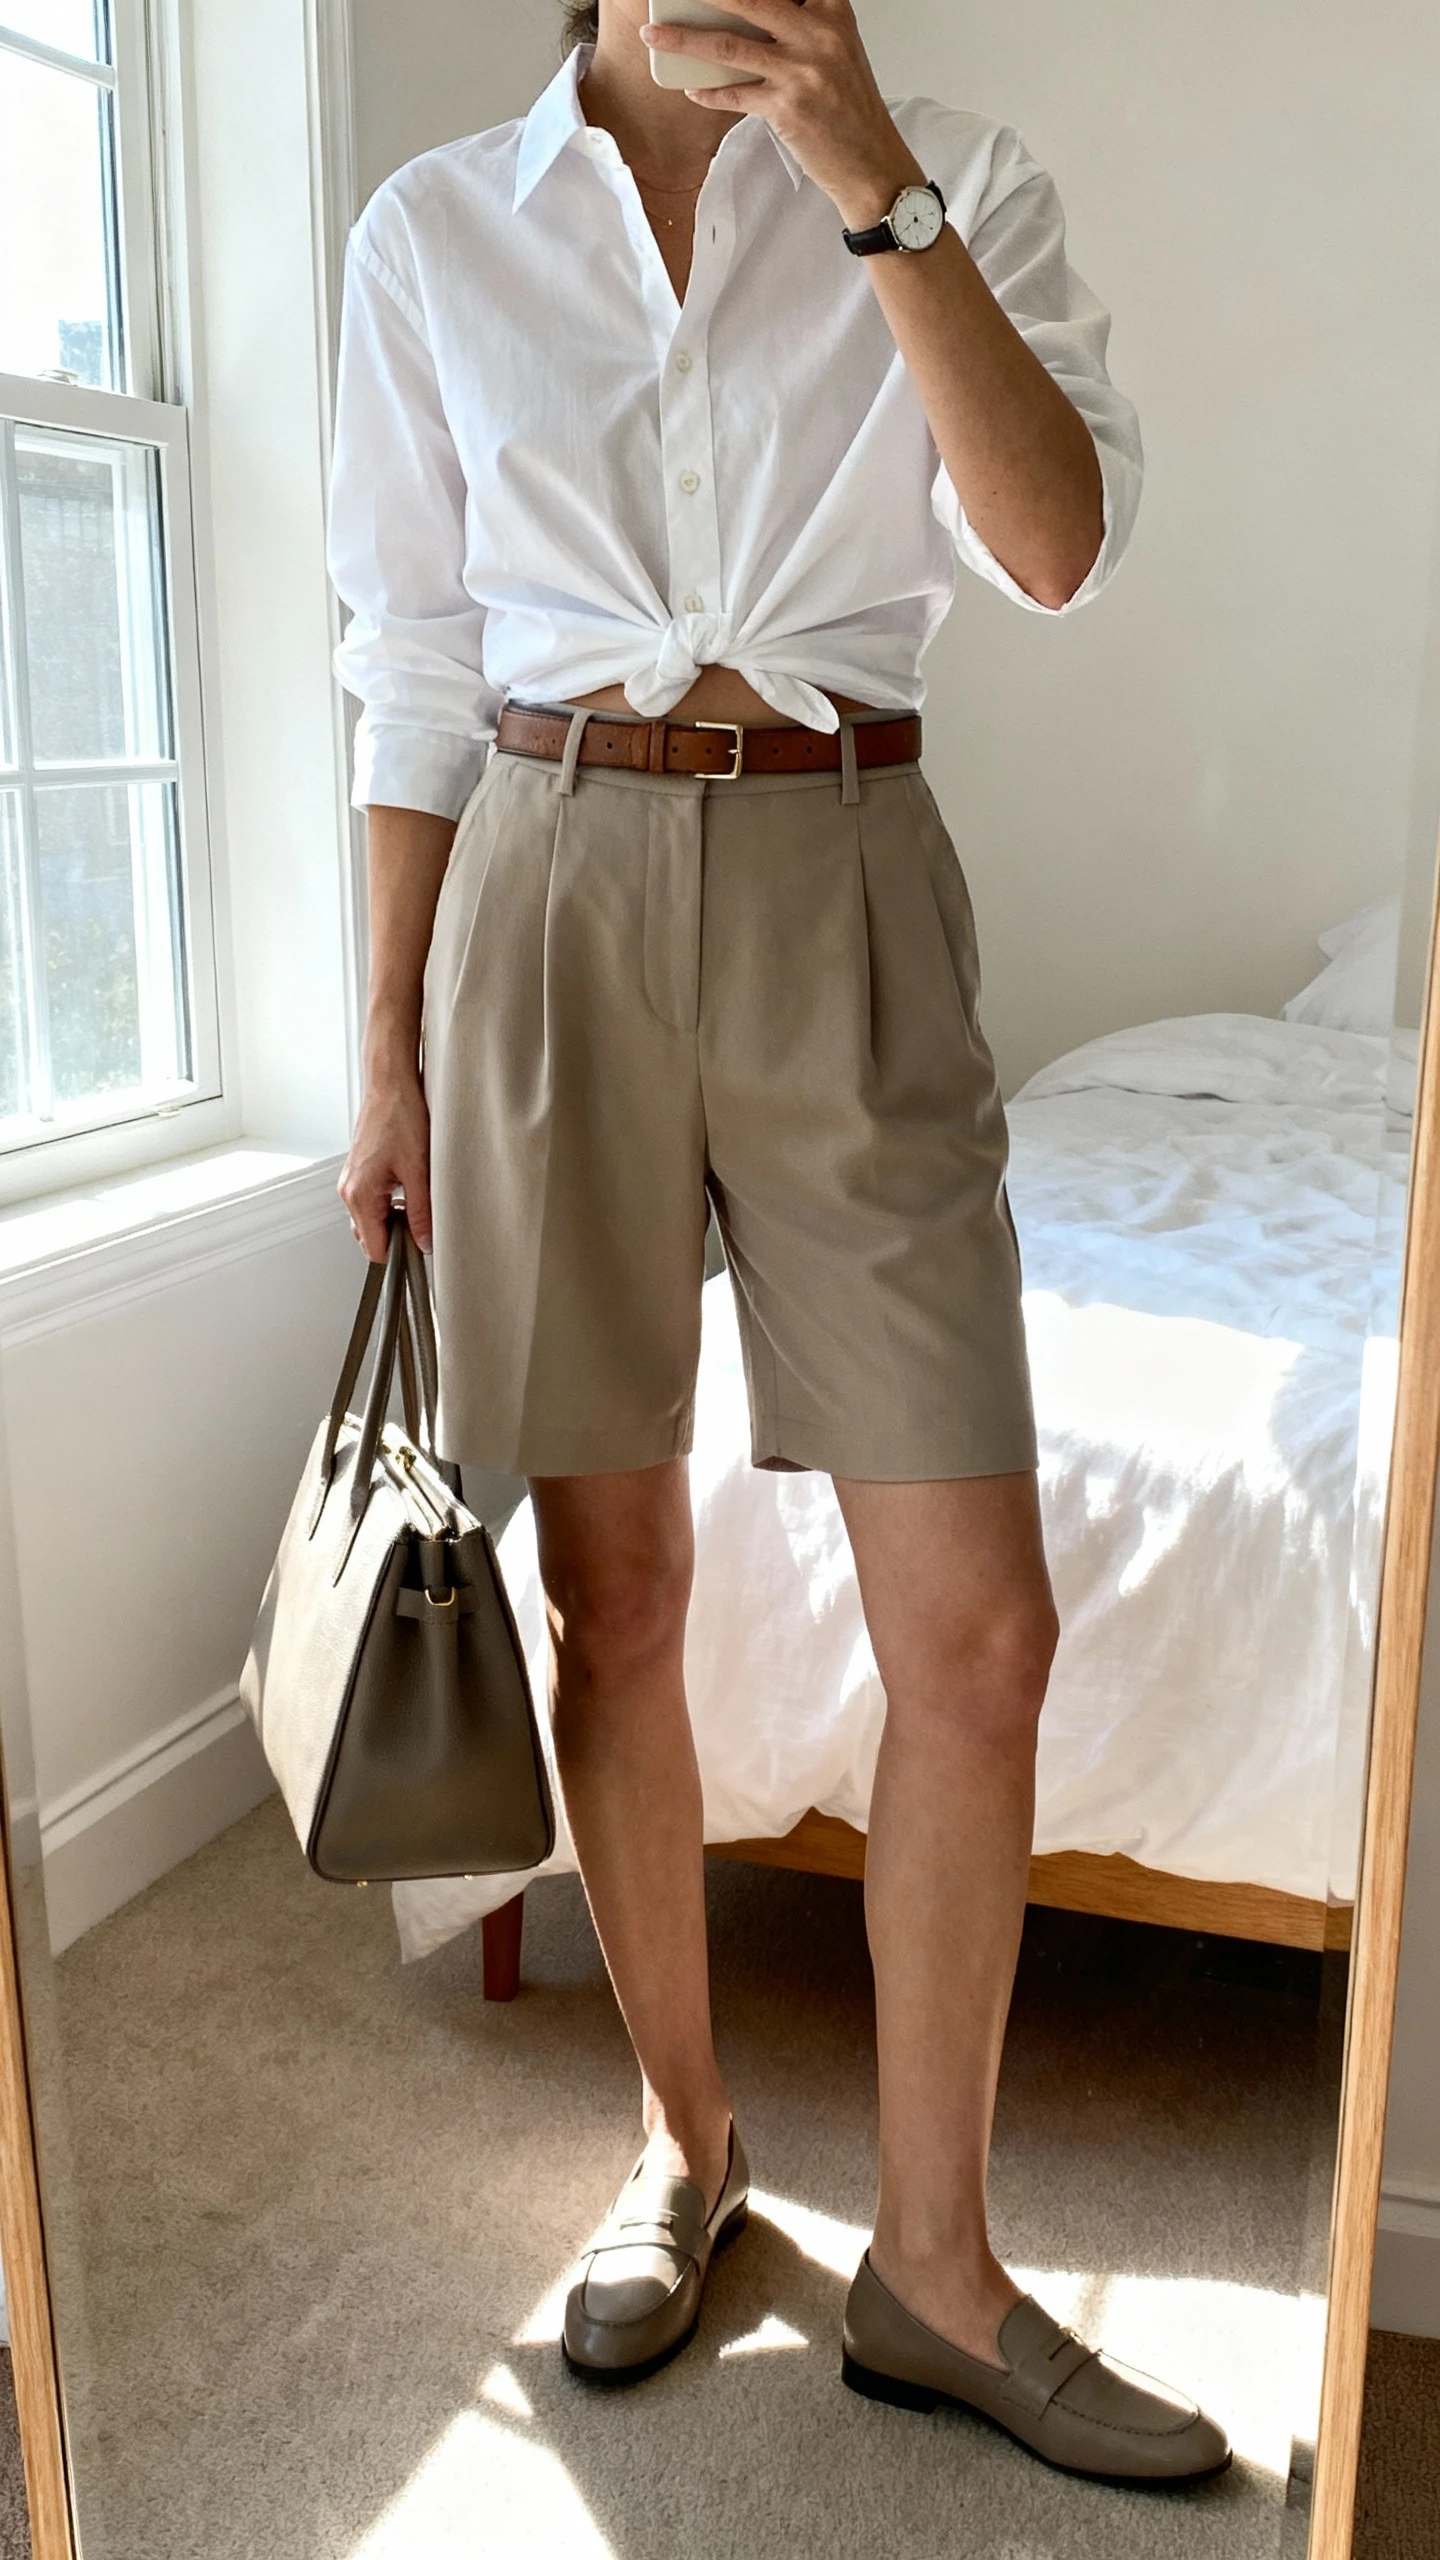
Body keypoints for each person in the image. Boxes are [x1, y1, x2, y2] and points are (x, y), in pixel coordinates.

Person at [330, 0, 1228, 2483]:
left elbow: (1052, 543)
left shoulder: (959, 174)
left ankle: (937, 2265)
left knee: (982, 1625)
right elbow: (408, 660)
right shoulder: (436, 232)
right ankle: (685, 2136)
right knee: (609, 1591)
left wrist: (864, 167)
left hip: (849, 865)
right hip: (544, 879)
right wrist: (386, 1046)